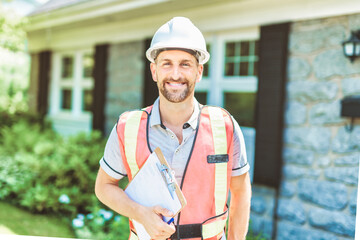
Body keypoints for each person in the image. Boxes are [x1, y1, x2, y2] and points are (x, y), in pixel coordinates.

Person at [95, 16, 251, 240]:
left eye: (185, 64)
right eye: (167, 63)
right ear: (154, 71)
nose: (175, 74)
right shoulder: (127, 127)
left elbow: (241, 193)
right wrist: (140, 213)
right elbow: (104, 187)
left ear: (198, 72)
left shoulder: (224, 126)